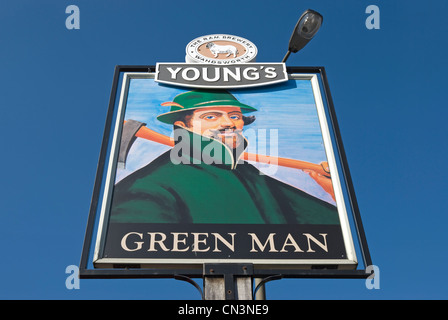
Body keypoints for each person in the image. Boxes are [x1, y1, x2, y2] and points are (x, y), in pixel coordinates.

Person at [109, 89, 339, 224]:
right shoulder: (151, 186)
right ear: (182, 126)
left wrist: (333, 192)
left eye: (235, 116)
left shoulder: (249, 174)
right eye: (211, 117)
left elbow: (330, 228)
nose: (229, 123)